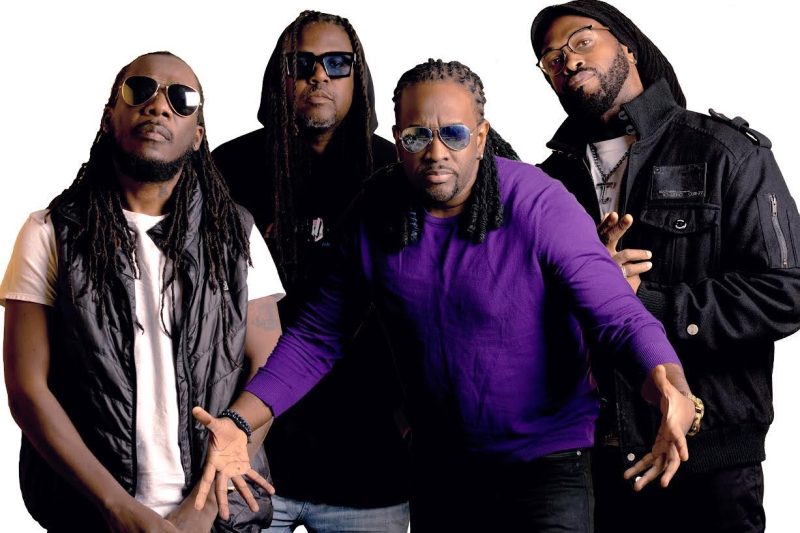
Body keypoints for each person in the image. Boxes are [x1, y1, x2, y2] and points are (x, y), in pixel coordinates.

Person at [193, 59, 698, 533]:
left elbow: (616, 314)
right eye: (417, 136)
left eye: (453, 134)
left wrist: (668, 384)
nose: (436, 153)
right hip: (441, 468)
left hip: (547, 464)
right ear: (397, 138)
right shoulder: (376, 208)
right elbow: (317, 338)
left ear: (480, 137)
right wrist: (240, 422)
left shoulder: (538, 203)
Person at [530, 2, 800, 532]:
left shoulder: (725, 152)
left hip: (708, 458)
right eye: (552, 59)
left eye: (582, 41)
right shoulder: (546, 182)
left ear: (628, 48)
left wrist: (643, 303)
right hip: (587, 460)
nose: (569, 61)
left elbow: (786, 291)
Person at [0, 51, 285, 532]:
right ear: (109, 116)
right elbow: (28, 391)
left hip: (218, 514)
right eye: (140, 90)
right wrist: (116, 507)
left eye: (181, 99)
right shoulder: (48, 232)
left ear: (198, 135)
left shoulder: (236, 234)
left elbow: (270, 374)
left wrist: (201, 510)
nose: (158, 106)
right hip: (88, 514)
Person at [212, 10, 410, 532]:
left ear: (357, 75)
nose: (319, 75)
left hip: (370, 463)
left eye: (336, 63)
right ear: (278, 77)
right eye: (301, 64)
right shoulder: (227, 169)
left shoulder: (396, 172)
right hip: (252, 459)